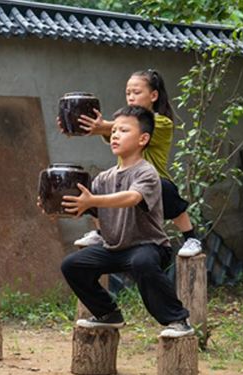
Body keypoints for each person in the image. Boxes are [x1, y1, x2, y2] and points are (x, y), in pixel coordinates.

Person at [55, 105, 194, 337]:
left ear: (143, 139)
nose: (116, 135)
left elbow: (132, 197)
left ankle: (178, 320)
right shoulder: (103, 178)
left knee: (143, 262)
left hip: (149, 246)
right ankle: (108, 314)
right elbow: (88, 207)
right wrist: (56, 208)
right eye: (115, 130)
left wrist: (94, 200)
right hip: (114, 248)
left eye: (124, 130)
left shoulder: (146, 172)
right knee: (72, 265)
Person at [64, 70, 202, 257]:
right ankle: (99, 233)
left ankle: (190, 238)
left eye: (136, 92)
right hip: (127, 182)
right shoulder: (123, 124)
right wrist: (73, 125)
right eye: (128, 93)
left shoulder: (161, 123)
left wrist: (99, 126)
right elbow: (105, 129)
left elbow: (107, 127)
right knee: (94, 187)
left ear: (153, 95)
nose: (131, 97)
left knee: (164, 188)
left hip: (153, 183)